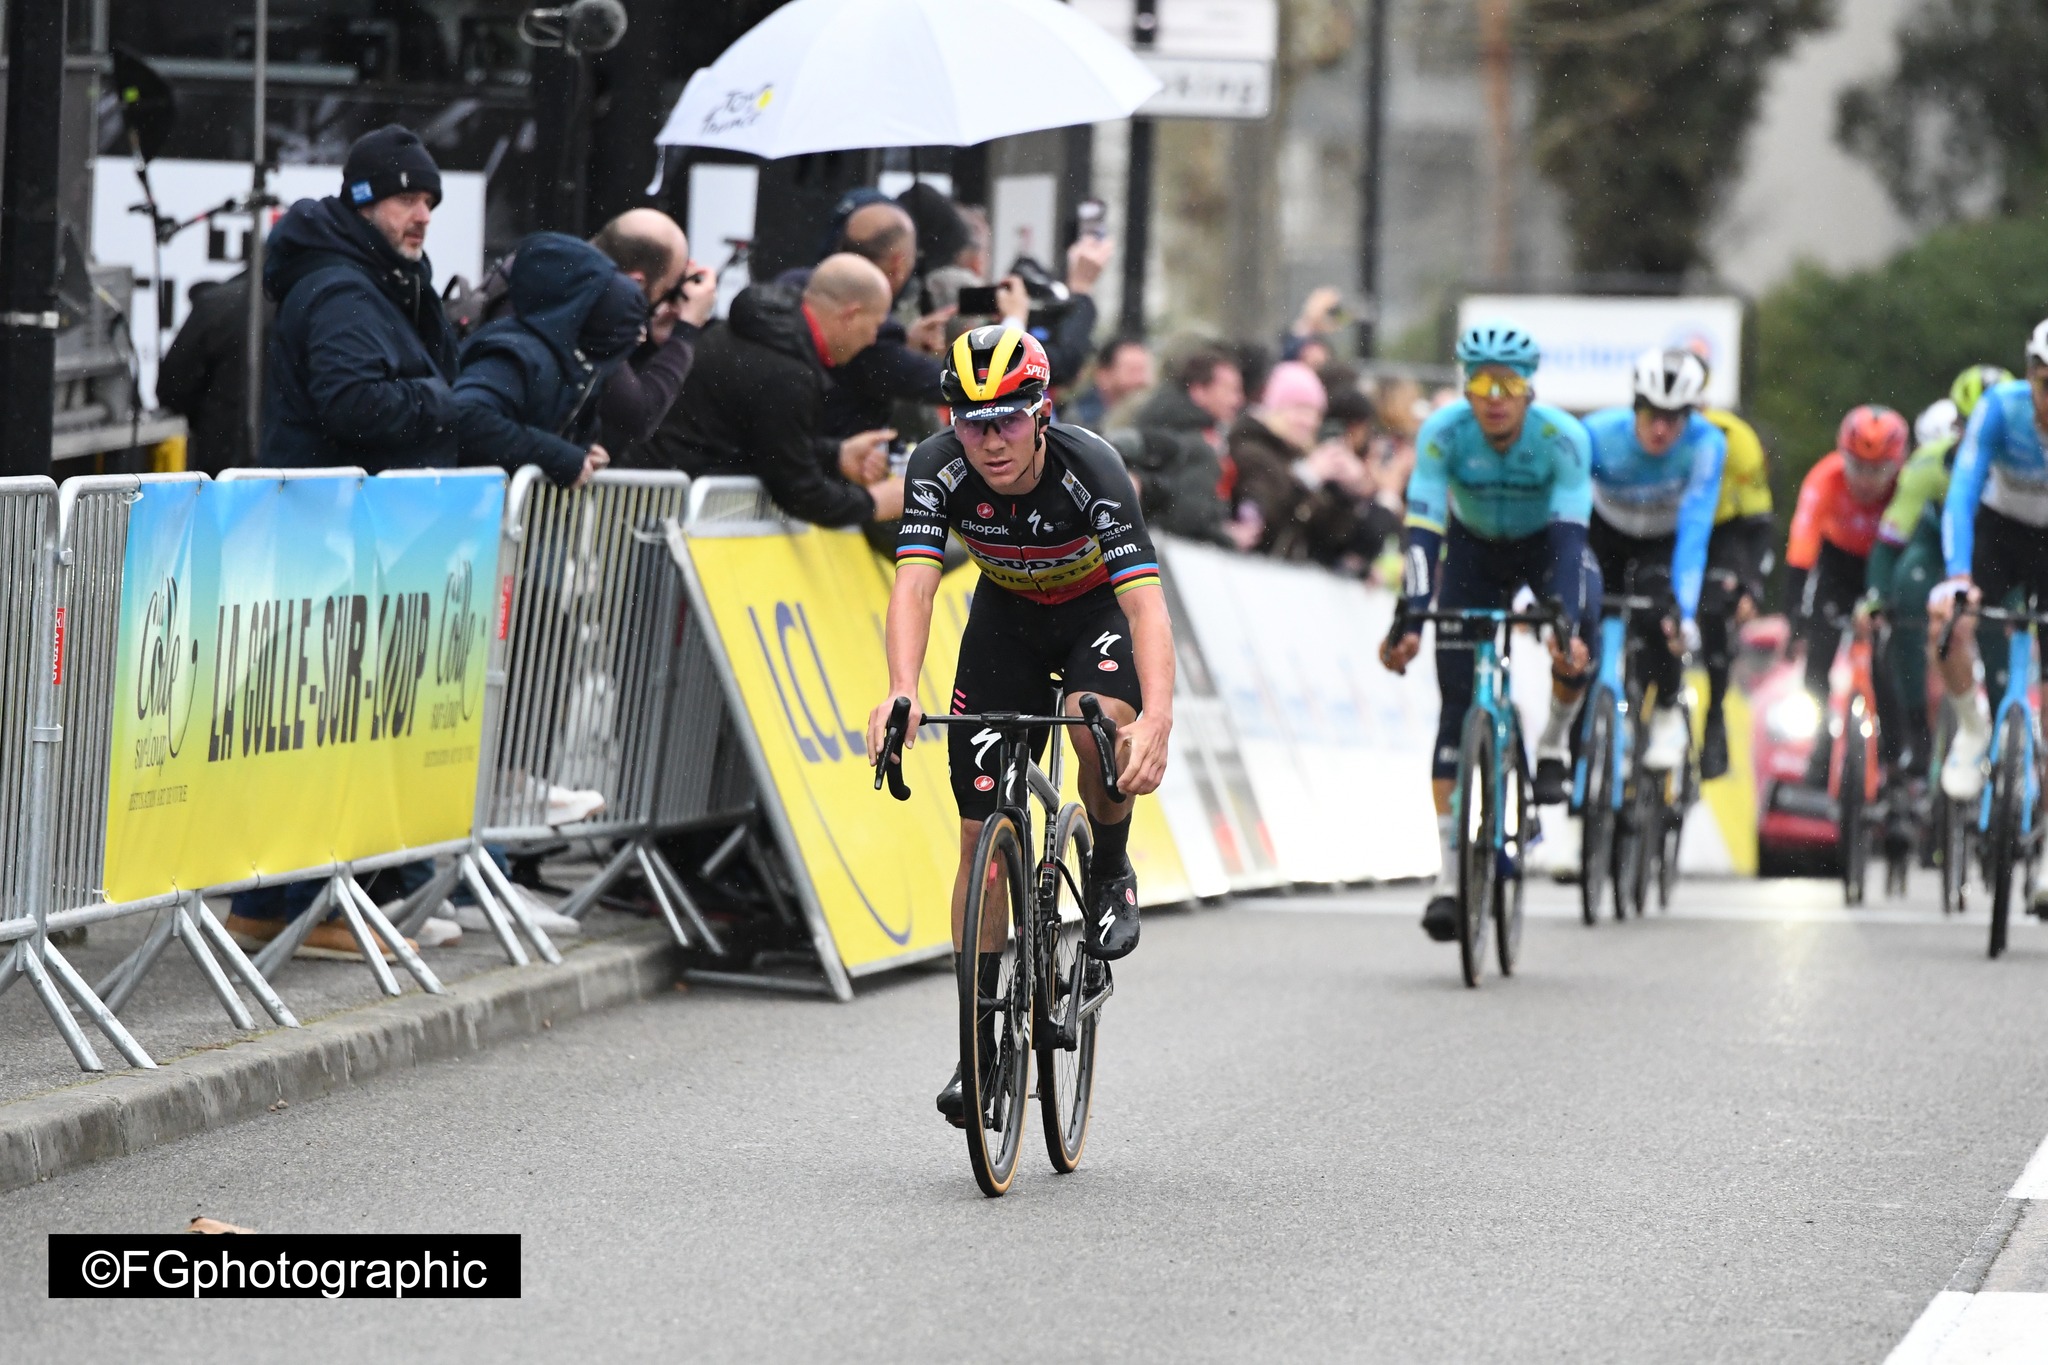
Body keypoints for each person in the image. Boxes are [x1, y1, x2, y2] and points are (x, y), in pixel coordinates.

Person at [863, 324, 1173, 1125]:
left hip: (1094, 616)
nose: (989, 439)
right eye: (970, 419)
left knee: (1090, 720)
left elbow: (1144, 605)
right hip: (1004, 622)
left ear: (1042, 411)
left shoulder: (1092, 466)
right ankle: (980, 1043)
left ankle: (1108, 864)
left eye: (1007, 417)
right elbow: (917, 587)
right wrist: (901, 689)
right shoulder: (935, 467)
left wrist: (1159, 720)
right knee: (979, 841)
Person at [1379, 323, 1595, 944]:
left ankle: (1552, 741)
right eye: (1480, 381)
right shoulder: (1443, 435)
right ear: (1464, 386)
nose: (1495, 395)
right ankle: (1450, 877)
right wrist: (1411, 613)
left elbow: (1572, 541)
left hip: (1545, 549)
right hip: (1473, 555)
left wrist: (1565, 621)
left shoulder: (1563, 439)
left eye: (1509, 383)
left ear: (1529, 389)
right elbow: (1422, 525)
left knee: (1576, 644)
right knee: (1455, 709)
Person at [638, 254, 904, 527]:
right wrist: (875, 502)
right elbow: (799, 490)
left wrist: (835, 455)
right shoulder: (787, 372)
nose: (873, 339)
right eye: (874, 326)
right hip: (660, 518)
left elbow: (767, 445)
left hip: (649, 497)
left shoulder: (766, 334)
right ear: (851, 314)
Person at [261, 124, 458, 473]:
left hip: (354, 510)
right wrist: (441, 397)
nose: (424, 217)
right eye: (407, 199)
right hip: (335, 515)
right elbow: (353, 404)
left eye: (428, 202)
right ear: (364, 202)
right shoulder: (341, 292)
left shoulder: (384, 279)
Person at [1580, 349, 1726, 774]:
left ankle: (1665, 709)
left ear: (1690, 414)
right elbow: (1565, 513)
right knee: (1585, 618)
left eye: (1674, 417)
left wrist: (1684, 607)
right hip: (1604, 530)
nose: (1661, 429)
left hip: (1662, 540)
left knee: (1661, 618)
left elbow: (1696, 529)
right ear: (1634, 407)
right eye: (1651, 415)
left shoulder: (1706, 444)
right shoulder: (1597, 433)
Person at [1868, 366, 2010, 782]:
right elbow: (1889, 543)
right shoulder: (1928, 463)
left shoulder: (2028, 461)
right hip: (1935, 550)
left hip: (1999, 555)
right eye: (1967, 427)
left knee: (2005, 619)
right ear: (1956, 426)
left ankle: (2004, 733)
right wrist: (1879, 598)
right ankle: (1916, 731)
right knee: (1908, 587)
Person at [1931, 323, 2048, 799]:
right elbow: (1961, 492)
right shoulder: (2000, 407)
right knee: (1945, 614)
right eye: (2047, 386)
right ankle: (1972, 728)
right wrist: (1959, 574)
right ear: (2030, 375)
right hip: (1999, 533)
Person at [450, 232, 647, 488]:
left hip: (506, 518)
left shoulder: (570, 362)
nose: (642, 337)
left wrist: (580, 450)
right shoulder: (517, 353)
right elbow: (465, 418)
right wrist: (558, 457)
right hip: (474, 515)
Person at [1784, 404, 1909, 781]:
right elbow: (1801, 551)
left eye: (1878, 470)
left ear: (1897, 465)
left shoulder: (1907, 486)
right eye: (1857, 467)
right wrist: (1795, 619)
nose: (1867, 481)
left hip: (1887, 568)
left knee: (1889, 665)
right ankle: (1819, 751)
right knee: (1818, 657)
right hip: (1837, 566)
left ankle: (1896, 761)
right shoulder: (1824, 478)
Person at [1694, 368, 1774, 780]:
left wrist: (1750, 588)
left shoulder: (1736, 439)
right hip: (1665, 526)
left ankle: (1713, 718)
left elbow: (1758, 523)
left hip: (1722, 531)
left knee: (1714, 609)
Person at [587, 209, 716, 453]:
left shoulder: (560, 279)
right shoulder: (589, 312)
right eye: (666, 289)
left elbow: (612, 393)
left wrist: (652, 344)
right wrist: (686, 331)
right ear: (636, 282)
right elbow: (638, 417)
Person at [1124, 347, 1244, 547]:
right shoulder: (1196, 445)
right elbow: (1190, 519)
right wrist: (1228, 538)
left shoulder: (1156, 421)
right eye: (1230, 390)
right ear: (1199, 391)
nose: (1237, 400)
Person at [155, 274, 272, 475]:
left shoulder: (218, 304)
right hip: (300, 470)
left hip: (223, 462)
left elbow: (173, 390)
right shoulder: (310, 302)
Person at [1070, 335, 1153, 429]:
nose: (1141, 380)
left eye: (1143, 370)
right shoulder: (1080, 421)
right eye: (1132, 371)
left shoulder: (1151, 418)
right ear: (1103, 375)